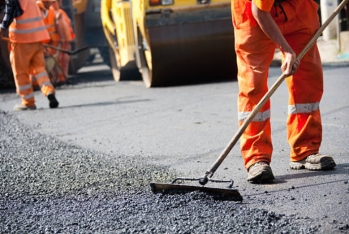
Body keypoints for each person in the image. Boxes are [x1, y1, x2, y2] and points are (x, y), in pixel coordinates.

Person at [231, 0, 336, 183]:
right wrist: (286, 50)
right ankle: (256, 158)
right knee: (253, 85)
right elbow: (259, 11)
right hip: (252, 12)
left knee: (308, 79)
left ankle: (305, 149)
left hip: (299, 8)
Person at [0, 0, 59, 111]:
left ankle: (28, 102)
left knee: (20, 72)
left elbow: (10, 10)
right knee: (40, 68)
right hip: (36, 38)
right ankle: (49, 91)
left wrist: (2, 27)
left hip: (21, 40)